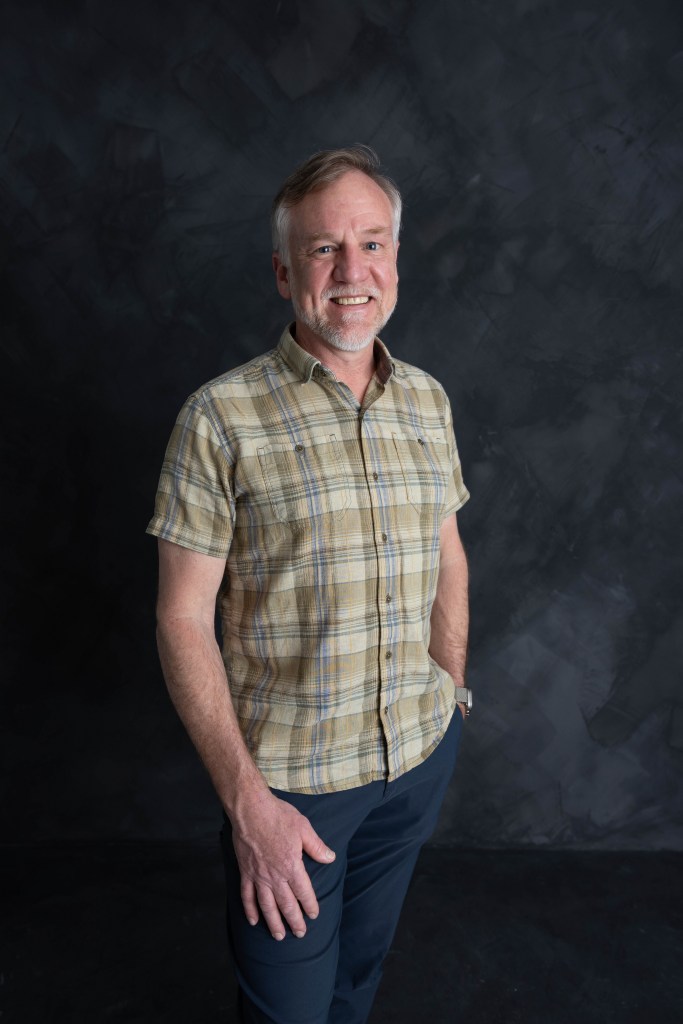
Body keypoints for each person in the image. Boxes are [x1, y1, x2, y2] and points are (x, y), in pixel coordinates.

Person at [147, 145, 471, 1024]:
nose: (351, 271)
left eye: (371, 244)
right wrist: (248, 804)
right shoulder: (219, 418)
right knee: (288, 1011)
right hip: (292, 789)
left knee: (355, 985)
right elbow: (181, 618)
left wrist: (449, 693)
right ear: (284, 272)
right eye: (324, 249)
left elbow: (446, 553)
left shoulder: (427, 402)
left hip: (416, 759)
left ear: (394, 259)